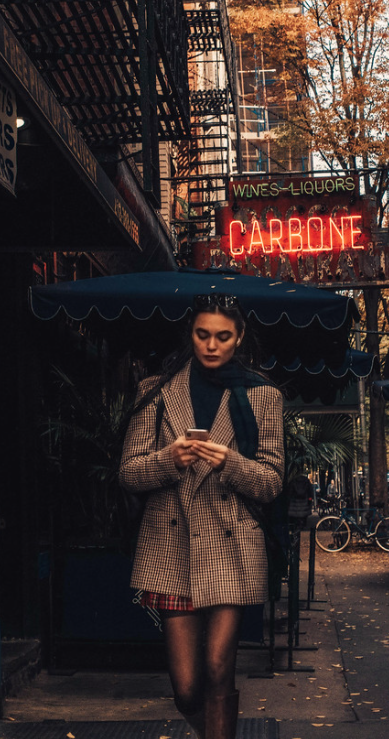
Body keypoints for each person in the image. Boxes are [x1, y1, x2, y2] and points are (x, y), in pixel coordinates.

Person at [119, 293, 284, 739]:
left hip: (231, 548)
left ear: (240, 337)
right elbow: (129, 473)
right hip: (171, 550)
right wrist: (169, 459)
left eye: (223, 336)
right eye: (202, 334)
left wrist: (227, 461)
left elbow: (270, 482)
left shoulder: (263, 396)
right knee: (187, 689)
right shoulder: (155, 391)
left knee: (217, 669)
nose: (212, 345)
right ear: (190, 334)